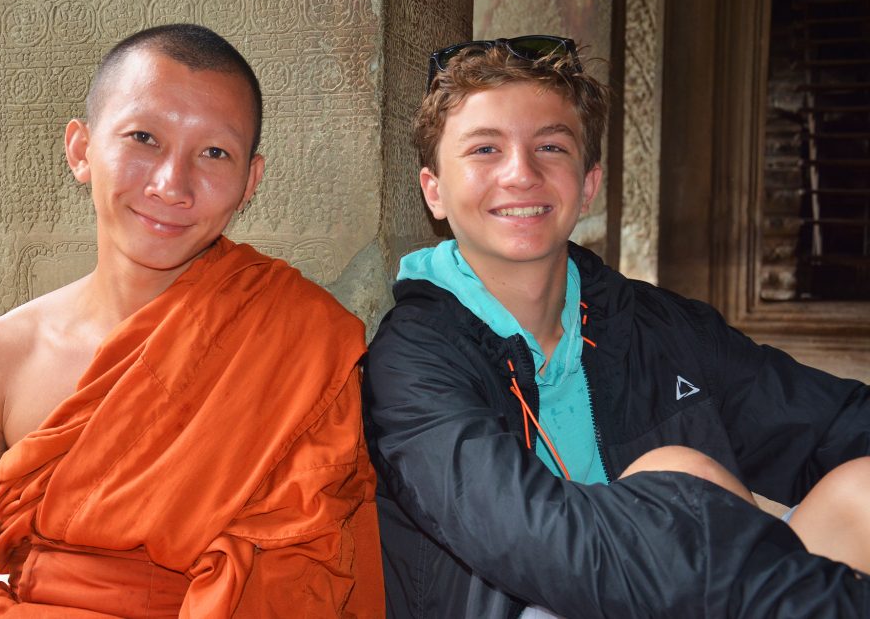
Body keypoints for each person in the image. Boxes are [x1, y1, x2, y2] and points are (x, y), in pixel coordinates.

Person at [0, 24, 384, 619]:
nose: (172, 185)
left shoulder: (302, 340)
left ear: (250, 181)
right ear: (81, 150)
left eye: (213, 153)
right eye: (144, 137)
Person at [361, 35, 870, 618]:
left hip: (710, 589)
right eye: (484, 150)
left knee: (862, 493)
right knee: (678, 476)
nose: (521, 174)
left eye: (550, 146)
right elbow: (533, 538)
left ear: (588, 184)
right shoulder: (413, 356)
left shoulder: (651, 324)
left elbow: (827, 421)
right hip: (531, 605)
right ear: (434, 192)